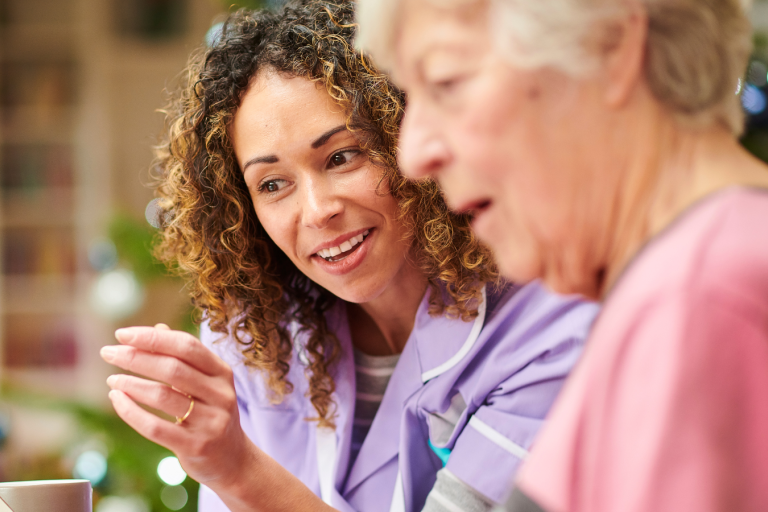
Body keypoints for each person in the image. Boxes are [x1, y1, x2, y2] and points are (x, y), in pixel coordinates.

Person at [99, 2, 598, 512]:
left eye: (342, 156)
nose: (317, 212)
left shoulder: (546, 326)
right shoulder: (253, 335)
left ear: (407, 136)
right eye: (272, 184)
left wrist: (239, 469)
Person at [355, 0, 768, 510]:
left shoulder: (698, 294)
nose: (413, 154)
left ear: (611, 48)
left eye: (447, 82)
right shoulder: (695, 273)